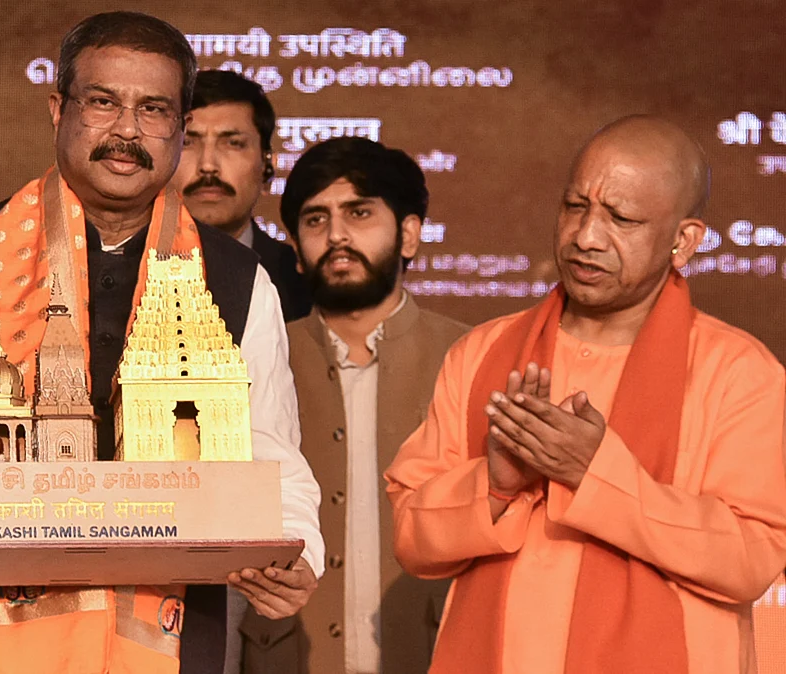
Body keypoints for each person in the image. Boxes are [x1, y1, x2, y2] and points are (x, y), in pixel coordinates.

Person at [0, 11, 323, 674]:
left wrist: (297, 554)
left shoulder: (237, 279)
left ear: (179, 127)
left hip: (169, 635)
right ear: (58, 110)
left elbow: (272, 453)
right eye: (103, 102)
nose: (127, 131)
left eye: (153, 109)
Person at [385, 115, 786, 674]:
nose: (585, 237)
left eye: (621, 218)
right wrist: (494, 487)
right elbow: (411, 536)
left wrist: (595, 475)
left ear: (684, 240)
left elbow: (752, 558)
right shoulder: (482, 352)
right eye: (575, 207)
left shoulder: (738, 372)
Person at [238, 138, 467, 674]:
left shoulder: (470, 356)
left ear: (409, 233)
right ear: (296, 249)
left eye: (359, 213)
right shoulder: (258, 359)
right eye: (316, 219)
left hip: (436, 654)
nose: (337, 235)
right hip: (285, 656)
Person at [173, 69, 311, 322]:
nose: (208, 166)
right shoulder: (117, 268)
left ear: (267, 165)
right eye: (187, 143)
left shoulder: (305, 282)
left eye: (233, 143)